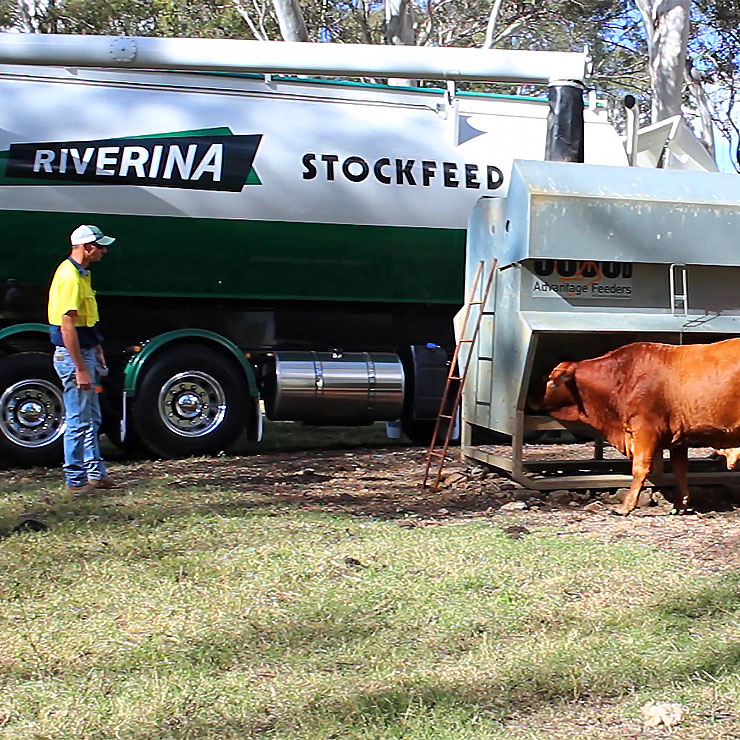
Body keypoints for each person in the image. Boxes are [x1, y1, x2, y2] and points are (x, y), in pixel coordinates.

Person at [48, 224, 117, 493]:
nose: (104, 251)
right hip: (74, 357)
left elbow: (85, 320)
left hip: (85, 353)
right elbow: (67, 327)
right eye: (99, 246)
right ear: (86, 247)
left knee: (91, 417)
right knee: (78, 419)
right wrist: (80, 368)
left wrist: (96, 347)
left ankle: (95, 474)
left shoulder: (81, 274)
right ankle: (75, 481)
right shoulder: (70, 278)